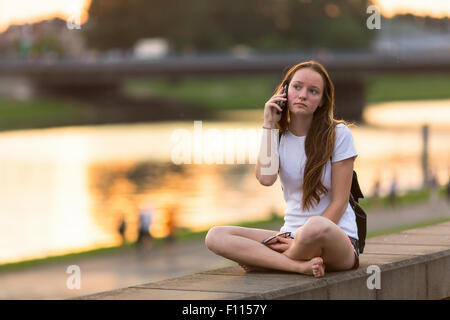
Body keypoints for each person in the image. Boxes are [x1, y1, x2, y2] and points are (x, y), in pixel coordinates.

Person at [205, 61, 360, 278]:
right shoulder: (277, 136)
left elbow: (340, 202)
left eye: (313, 91)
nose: (303, 95)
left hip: (336, 238)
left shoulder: (339, 135)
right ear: (284, 91)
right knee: (216, 235)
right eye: (297, 87)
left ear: (322, 101)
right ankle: (298, 266)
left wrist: (301, 238)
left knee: (315, 226)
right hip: (290, 236)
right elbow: (266, 178)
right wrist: (269, 124)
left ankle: (269, 261)